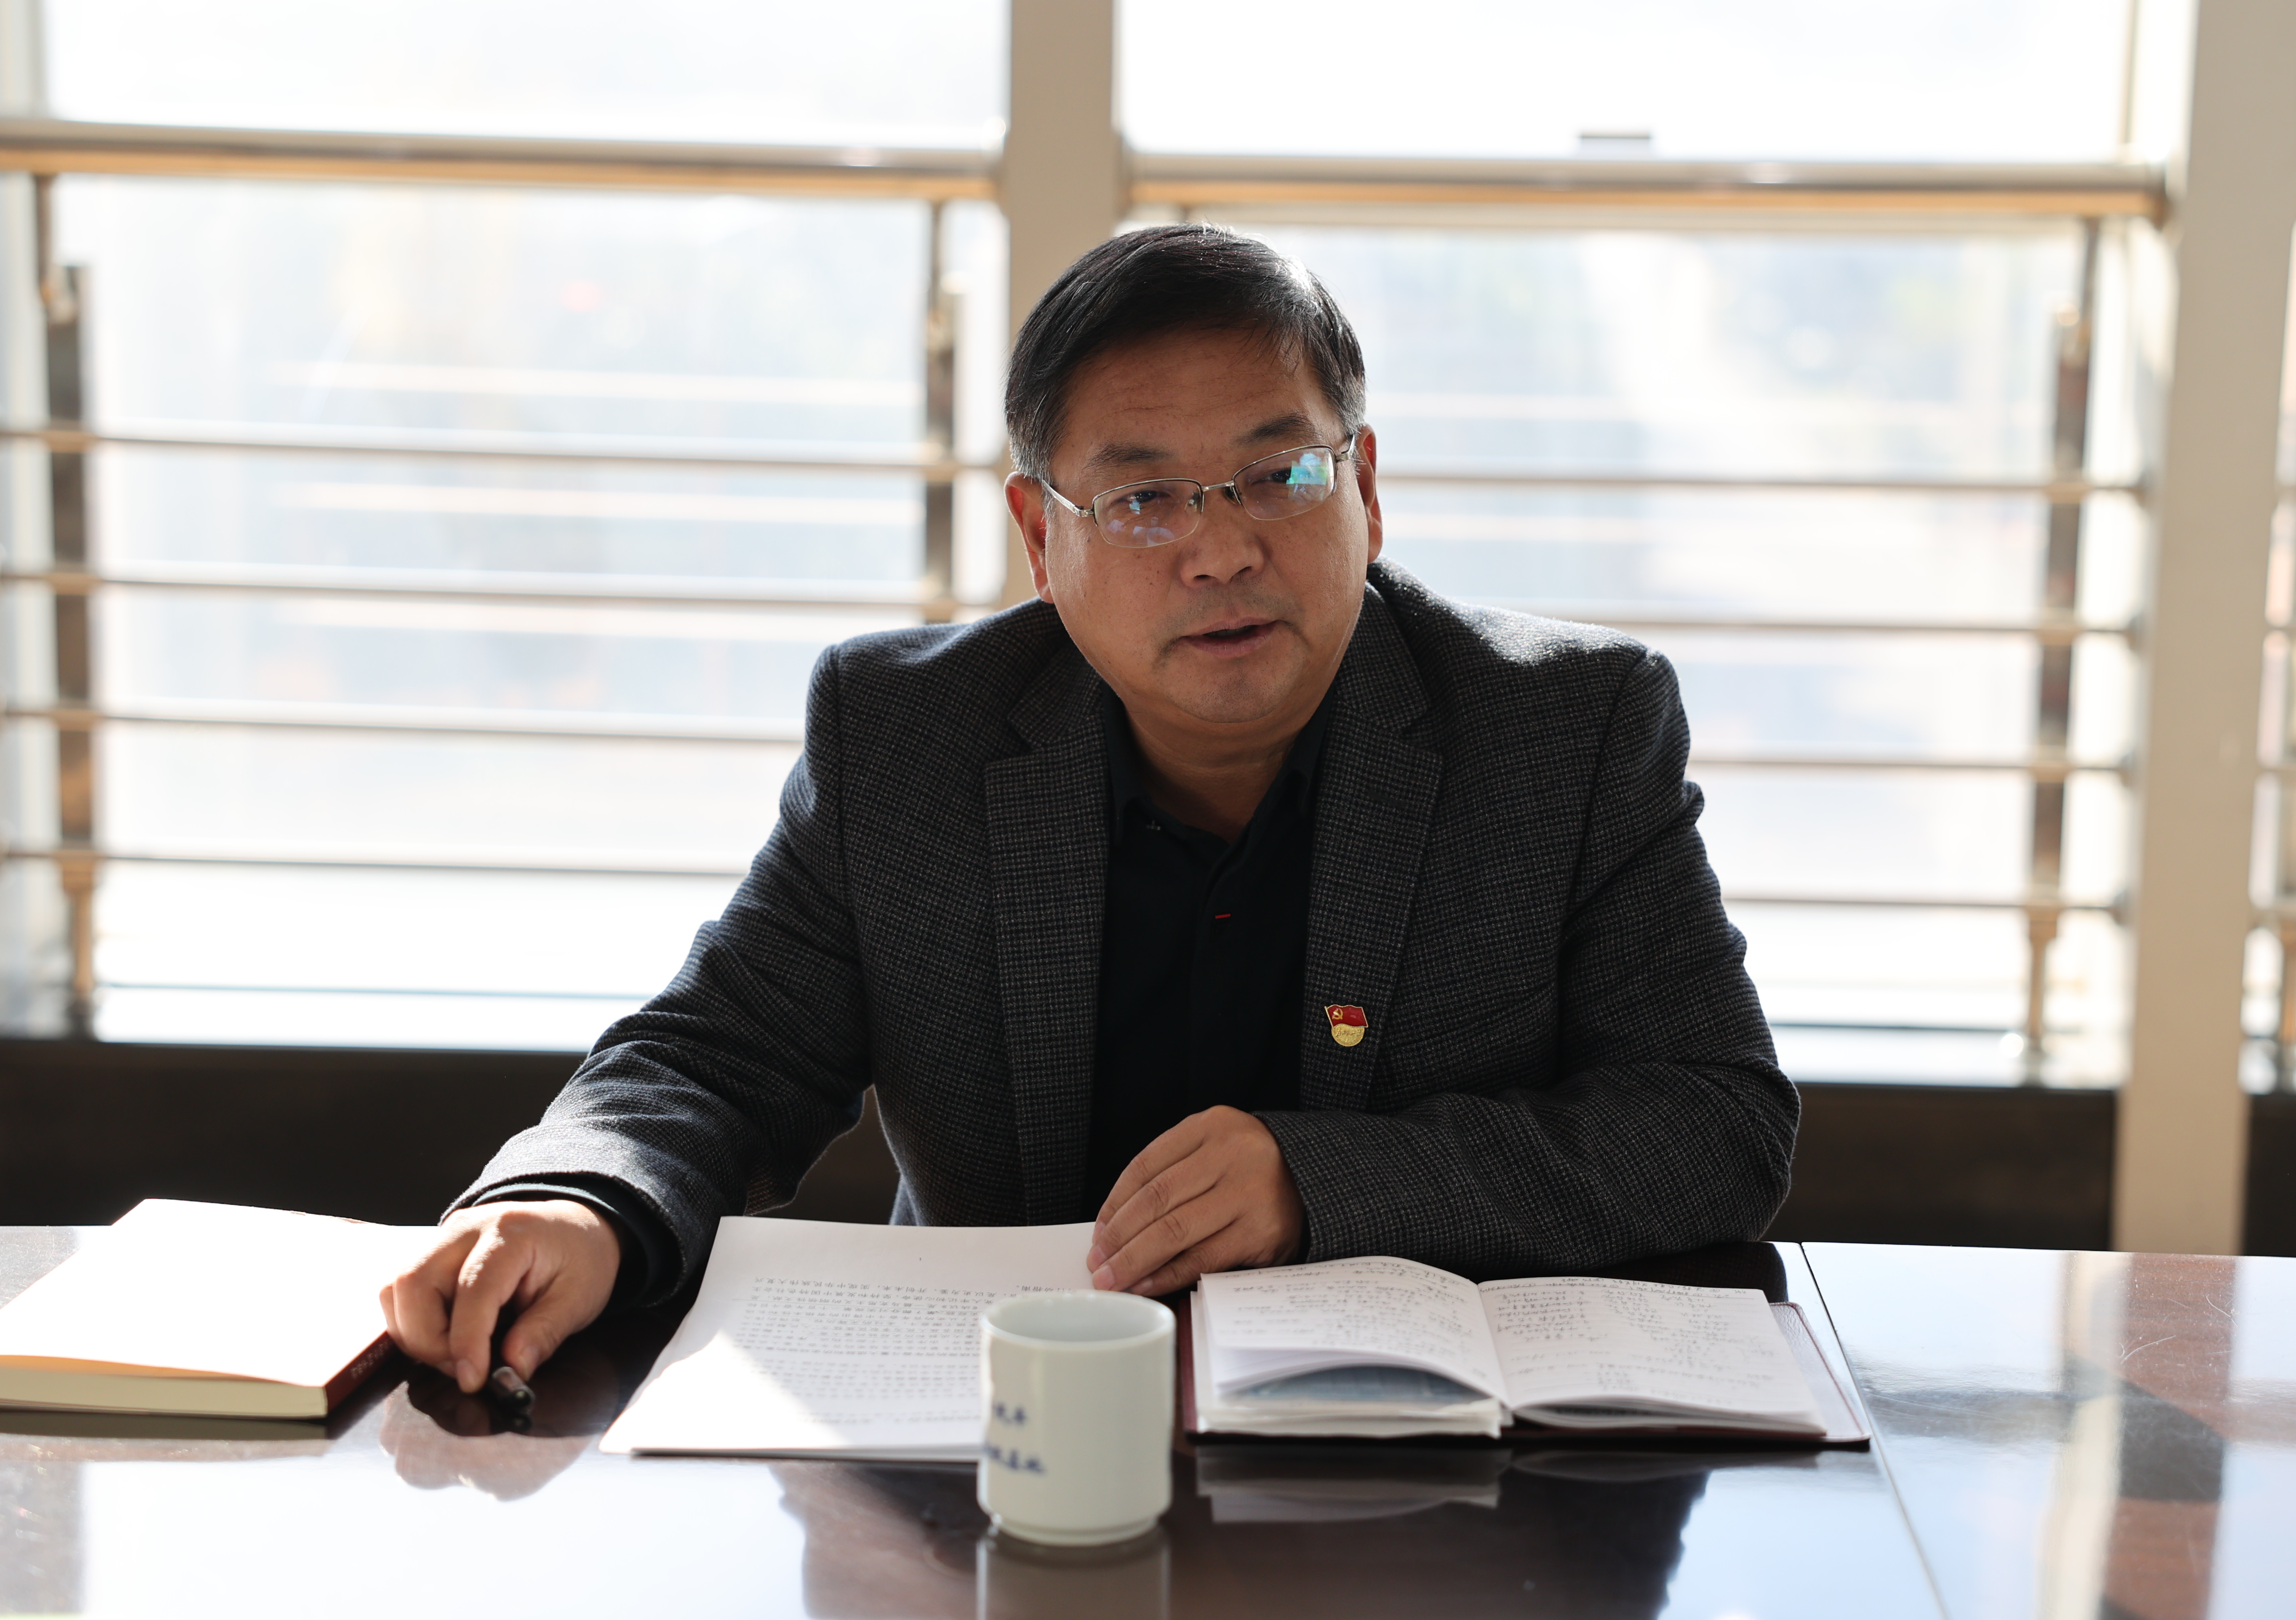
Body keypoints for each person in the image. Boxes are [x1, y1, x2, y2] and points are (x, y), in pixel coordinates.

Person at [382, 224, 1798, 1397]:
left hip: (1428, 1483)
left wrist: (1327, 1182)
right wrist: (580, 1198)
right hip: (987, 1450)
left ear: (1365, 486)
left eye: (1280, 475)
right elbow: (719, 1056)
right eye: (1142, 501)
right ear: (1037, 538)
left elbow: (1714, 1120)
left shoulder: (1566, 731)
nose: (1222, 550)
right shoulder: (907, 739)